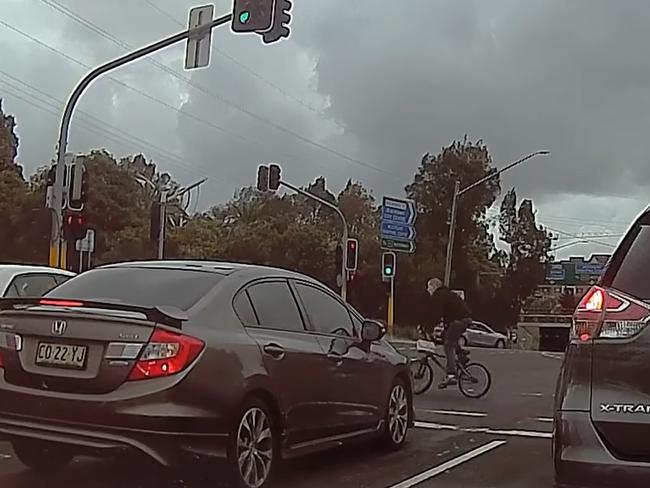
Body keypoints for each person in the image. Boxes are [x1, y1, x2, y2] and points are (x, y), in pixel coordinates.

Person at [425, 278, 472, 389]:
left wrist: (428, 328)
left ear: (434, 286)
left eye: (429, 287)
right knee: (447, 336)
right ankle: (461, 354)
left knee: (448, 345)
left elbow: (434, 315)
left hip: (459, 321)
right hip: (463, 319)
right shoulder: (446, 293)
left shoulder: (438, 296)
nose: (428, 290)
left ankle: (451, 374)